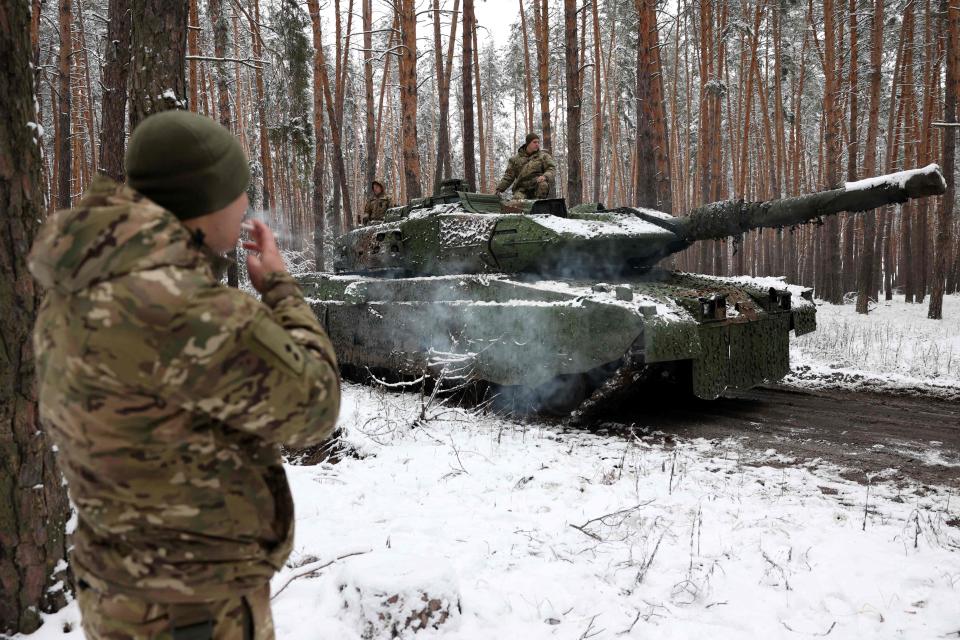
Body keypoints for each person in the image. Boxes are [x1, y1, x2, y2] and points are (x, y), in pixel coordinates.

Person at [28, 110, 341, 639]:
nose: (245, 206)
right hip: (191, 608)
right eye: (237, 193)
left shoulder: (80, 286)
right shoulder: (186, 312)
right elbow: (315, 408)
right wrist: (282, 291)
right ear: (202, 206)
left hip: (121, 592)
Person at [495, 132, 556, 200]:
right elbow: (508, 176)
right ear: (528, 143)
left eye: (538, 142)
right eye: (534, 142)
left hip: (537, 186)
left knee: (543, 185)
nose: (537, 144)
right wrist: (499, 189)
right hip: (522, 189)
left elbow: (551, 168)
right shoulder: (515, 159)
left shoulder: (543, 156)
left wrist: (545, 176)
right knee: (517, 200)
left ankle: (540, 206)